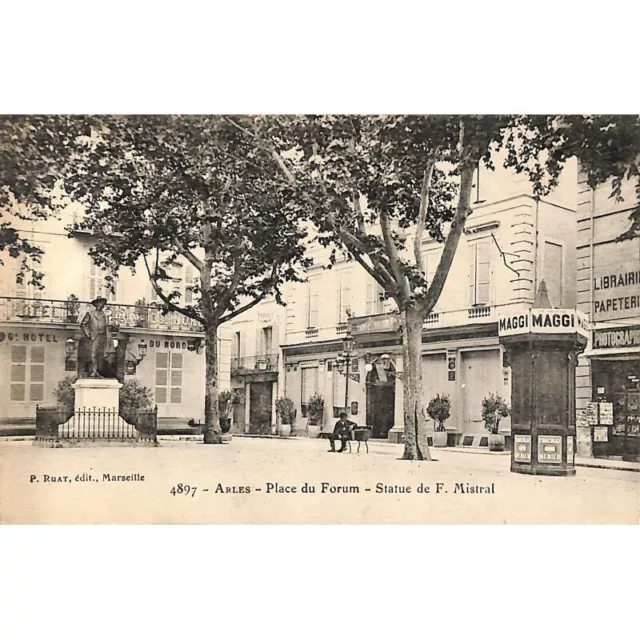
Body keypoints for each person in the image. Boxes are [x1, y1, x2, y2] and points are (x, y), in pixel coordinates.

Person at [79, 297, 114, 378]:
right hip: (94, 336)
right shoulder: (90, 313)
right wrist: (88, 334)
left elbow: (105, 325)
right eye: (101, 303)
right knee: (93, 354)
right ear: (96, 304)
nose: (102, 305)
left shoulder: (103, 315)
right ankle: (92, 371)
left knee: (100, 355)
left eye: (103, 303)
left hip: (102, 336)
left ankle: (97, 371)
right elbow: (83, 324)